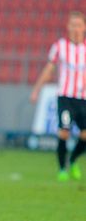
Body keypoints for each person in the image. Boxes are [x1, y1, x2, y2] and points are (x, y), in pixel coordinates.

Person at [30, 11, 86, 182]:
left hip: (83, 99)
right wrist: (36, 90)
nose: (75, 28)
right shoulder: (60, 47)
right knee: (64, 132)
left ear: (84, 27)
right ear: (68, 27)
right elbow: (49, 69)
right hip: (65, 97)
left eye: (79, 25)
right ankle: (62, 169)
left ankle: (73, 160)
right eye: (73, 25)